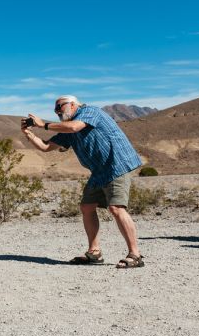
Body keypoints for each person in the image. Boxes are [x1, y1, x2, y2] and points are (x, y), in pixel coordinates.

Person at [21, 96, 145, 269]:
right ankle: (94, 252)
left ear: (73, 105)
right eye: (55, 110)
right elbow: (45, 147)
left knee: (116, 208)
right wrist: (29, 134)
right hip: (99, 171)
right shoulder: (69, 131)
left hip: (116, 164)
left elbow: (75, 126)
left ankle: (135, 255)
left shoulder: (89, 112)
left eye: (60, 107)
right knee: (87, 207)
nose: (57, 111)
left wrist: (44, 125)